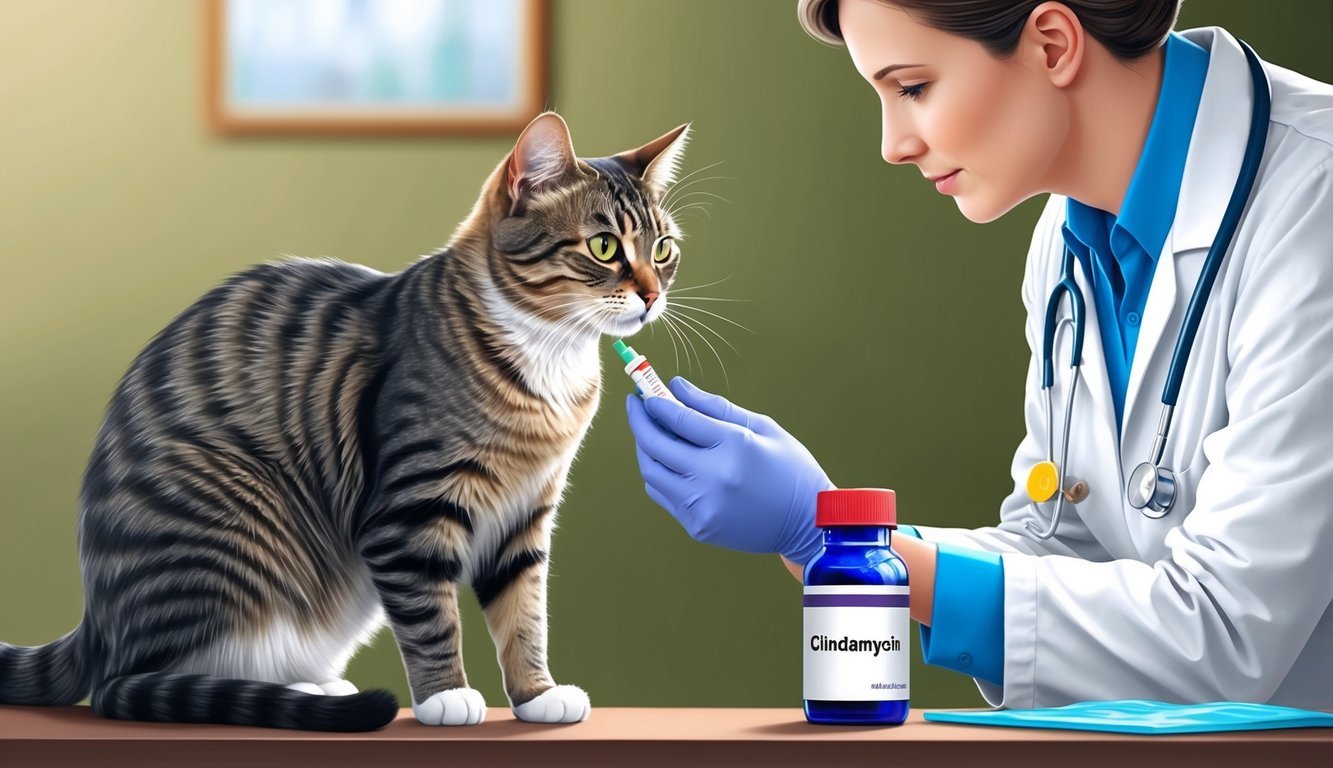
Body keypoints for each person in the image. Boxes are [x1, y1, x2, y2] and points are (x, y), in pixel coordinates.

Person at [625, 0, 1333, 709]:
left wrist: (844, 547)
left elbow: (1227, 635)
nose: (891, 144)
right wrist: (850, 538)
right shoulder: (1064, 241)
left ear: (1052, 45)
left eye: (912, 88)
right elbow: (1060, 543)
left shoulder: (1314, 199)